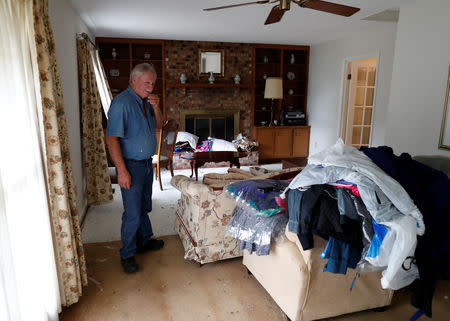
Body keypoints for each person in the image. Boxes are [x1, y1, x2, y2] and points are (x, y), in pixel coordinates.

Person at [106, 63, 164, 274]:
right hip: (130, 165)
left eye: (153, 83)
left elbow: (160, 124)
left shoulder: (147, 101)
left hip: (147, 164)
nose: (150, 86)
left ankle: (144, 241)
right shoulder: (121, 103)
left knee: (144, 207)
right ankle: (128, 254)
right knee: (132, 212)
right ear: (134, 80)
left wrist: (156, 107)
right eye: (147, 82)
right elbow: (111, 138)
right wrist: (121, 171)